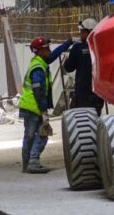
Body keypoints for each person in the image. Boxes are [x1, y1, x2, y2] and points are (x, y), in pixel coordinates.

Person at [49, 17, 104, 112]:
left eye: (82, 31)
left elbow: (68, 67)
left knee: (81, 121)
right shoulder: (101, 46)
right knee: (95, 119)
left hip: (82, 93)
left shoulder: (77, 47)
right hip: (98, 94)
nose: (80, 33)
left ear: (88, 32)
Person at [18, 37, 54, 173]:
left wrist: (68, 43)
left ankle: (27, 165)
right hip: (34, 107)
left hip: (30, 107)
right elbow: (39, 92)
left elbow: (53, 56)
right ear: (39, 51)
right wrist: (44, 111)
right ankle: (32, 162)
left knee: (29, 136)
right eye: (46, 49)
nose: (49, 51)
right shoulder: (38, 68)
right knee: (41, 134)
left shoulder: (38, 63)